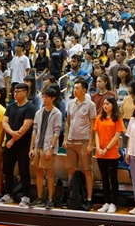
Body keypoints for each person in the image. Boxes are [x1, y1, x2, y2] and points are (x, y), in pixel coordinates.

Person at [0, 83, 36, 206]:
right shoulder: (11, 106)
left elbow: (25, 127)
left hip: (23, 144)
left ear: (25, 93)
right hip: (10, 144)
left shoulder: (30, 107)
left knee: (23, 170)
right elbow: (4, 123)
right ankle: (8, 194)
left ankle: (26, 196)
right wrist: (12, 133)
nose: (15, 93)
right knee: (7, 170)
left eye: (18, 91)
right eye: (14, 91)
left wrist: (12, 139)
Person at [63, 80, 96, 211]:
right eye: (74, 88)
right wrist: (65, 139)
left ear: (84, 90)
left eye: (77, 88)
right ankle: (72, 197)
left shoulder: (90, 105)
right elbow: (67, 123)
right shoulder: (70, 103)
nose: (74, 90)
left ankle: (89, 199)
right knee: (71, 170)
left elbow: (93, 125)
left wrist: (91, 143)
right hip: (71, 141)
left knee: (87, 170)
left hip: (84, 142)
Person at [29, 87, 62, 209]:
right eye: (43, 97)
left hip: (48, 147)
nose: (44, 99)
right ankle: (39, 197)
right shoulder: (39, 112)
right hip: (38, 146)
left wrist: (51, 148)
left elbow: (57, 132)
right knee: (38, 171)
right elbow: (34, 130)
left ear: (53, 98)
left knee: (49, 172)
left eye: (46, 97)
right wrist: (32, 147)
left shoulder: (57, 113)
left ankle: (50, 198)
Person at [94, 96, 125, 213]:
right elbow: (96, 134)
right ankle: (106, 202)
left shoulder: (117, 119)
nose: (105, 106)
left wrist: (106, 148)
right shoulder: (99, 118)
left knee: (113, 177)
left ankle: (113, 203)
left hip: (111, 153)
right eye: (104, 104)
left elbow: (117, 136)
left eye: (107, 104)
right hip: (100, 152)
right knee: (104, 177)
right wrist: (98, 147)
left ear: (113, 105)